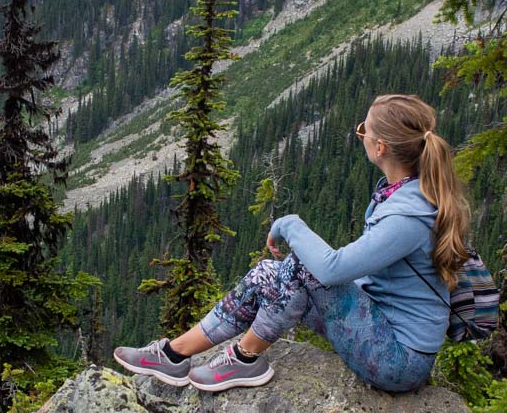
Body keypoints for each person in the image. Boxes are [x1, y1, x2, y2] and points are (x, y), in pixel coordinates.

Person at [113, 94, 470, 393]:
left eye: (363, 129)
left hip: (399, 359)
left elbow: (333, 270)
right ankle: (174, 355)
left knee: (302, 265)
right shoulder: (400, 194)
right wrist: (289, 280)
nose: (359, 135)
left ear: (380, 147)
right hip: (378, 326)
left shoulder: (407, 216)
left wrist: (290, 224)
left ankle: (245, 359)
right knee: (272, 271)